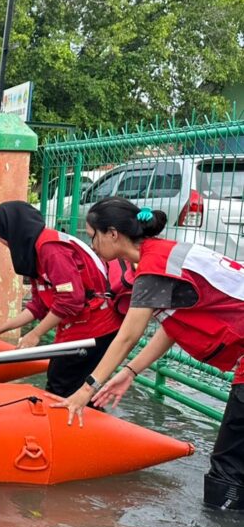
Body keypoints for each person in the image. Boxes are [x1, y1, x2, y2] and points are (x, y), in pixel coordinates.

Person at [52, 197, 244, 509]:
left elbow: (128, 336)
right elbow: (173, 326)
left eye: (93, 236)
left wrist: (85, 391)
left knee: (228, 468)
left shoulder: (154, 268)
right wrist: (130, 372)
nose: (93, 245)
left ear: (113, 234)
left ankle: (223, 524)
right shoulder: (163, 254)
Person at [0, 201, 123, 401]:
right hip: (75, 329)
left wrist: (35, 334)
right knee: (61, 385)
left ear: (13, 231)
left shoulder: (51, 249)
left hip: (94, 330)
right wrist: (2, 328)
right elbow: (40, 304)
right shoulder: (35, 252)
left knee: (62, 388)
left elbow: (71, 299)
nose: (0, 241)